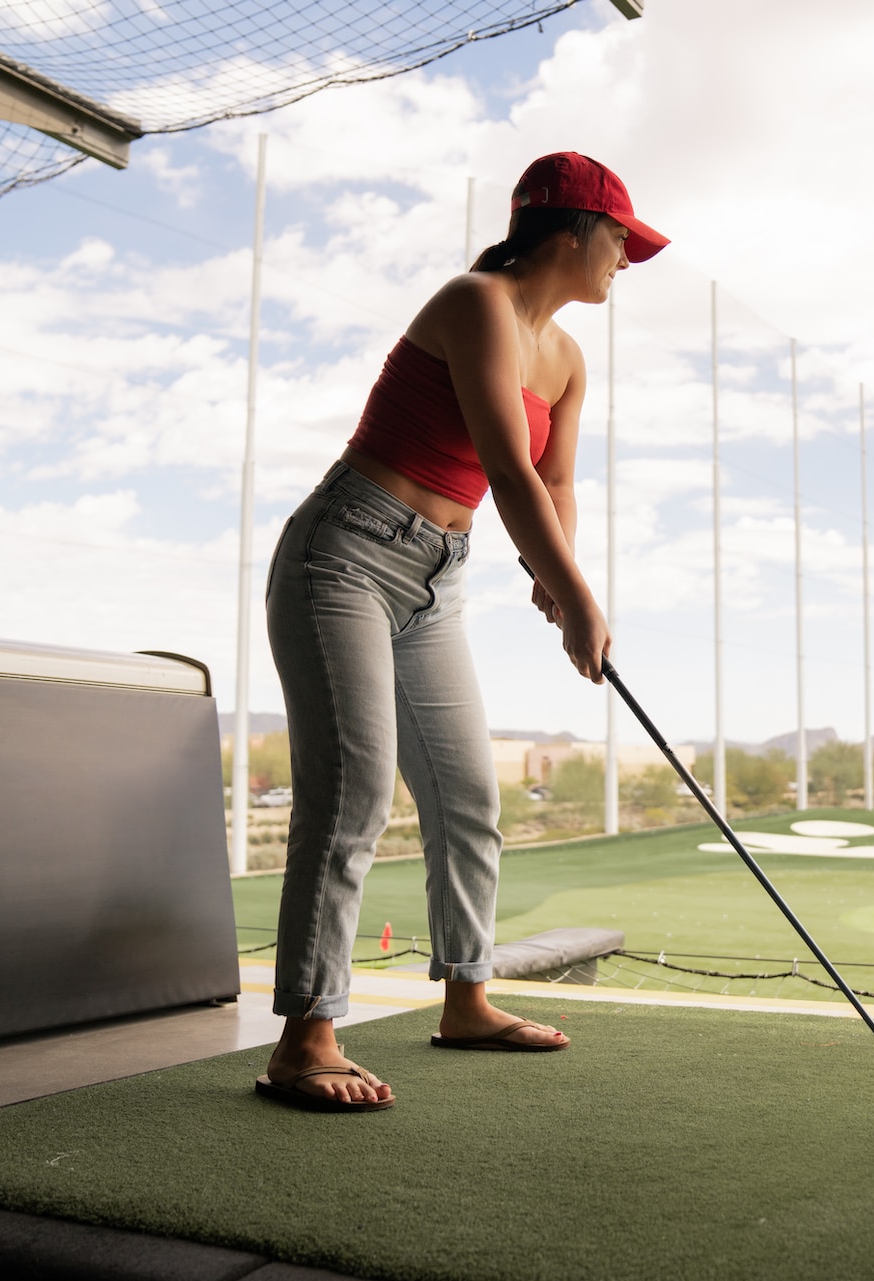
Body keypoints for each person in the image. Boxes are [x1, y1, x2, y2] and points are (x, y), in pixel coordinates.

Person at [254, 153, 668, 1111]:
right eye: (621, 241)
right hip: (344, 555)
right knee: (354, 788)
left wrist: (554, 578)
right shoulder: (476, 300)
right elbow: (506, 467)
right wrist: (581, 600)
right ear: (568, 233)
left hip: (438, 578)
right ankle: (306, 1036)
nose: (626, 261)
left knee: (466, 790)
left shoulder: (567, 357)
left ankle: (467, 1000)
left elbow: (554, 487)